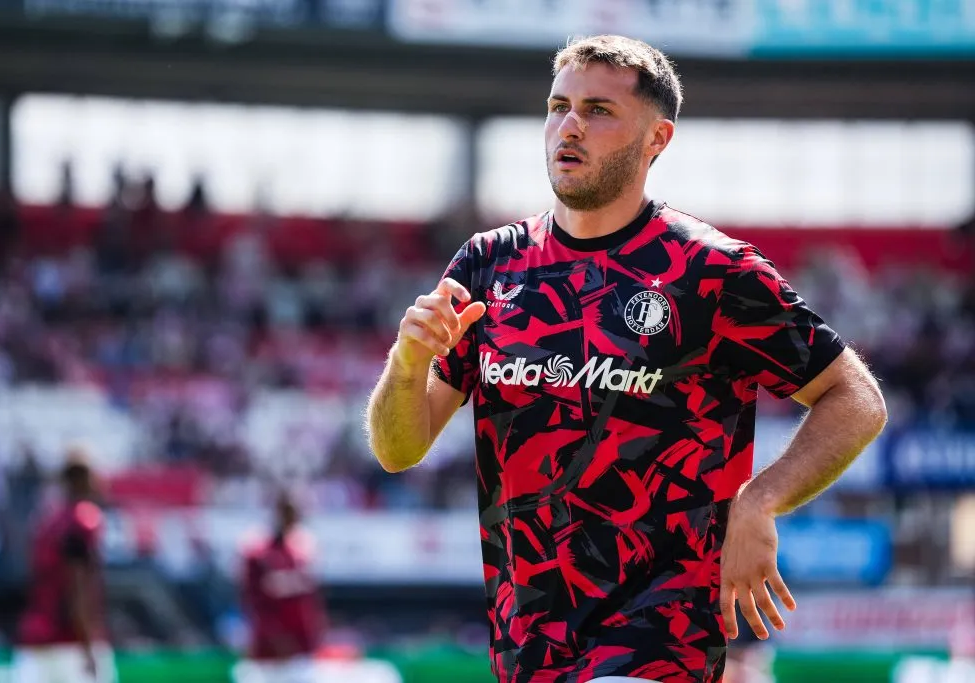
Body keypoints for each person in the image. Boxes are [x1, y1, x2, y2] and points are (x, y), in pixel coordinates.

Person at [365, 34, 887, 683]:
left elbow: (856, 398)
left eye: (599, 110)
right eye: (559, 105)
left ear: (657, 138)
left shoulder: (711, 272)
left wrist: (761, 500)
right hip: (528, 645)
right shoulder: (486, 265)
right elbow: (398, 449)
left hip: (659, 636)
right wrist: (408, 363)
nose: (570, 126)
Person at [14, 448, 115, 683]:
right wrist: (88, 646)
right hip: (70, 645)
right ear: (83, 478)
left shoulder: (46, 520)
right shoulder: (84, 519)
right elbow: (77, 586)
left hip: (34, 640)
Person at [235, 491, 327, 683]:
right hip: (269, 653)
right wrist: (275, 637)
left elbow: (310, 600)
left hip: (301, 649)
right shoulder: (258, 551)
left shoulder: (302, 548)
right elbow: (253, 600)